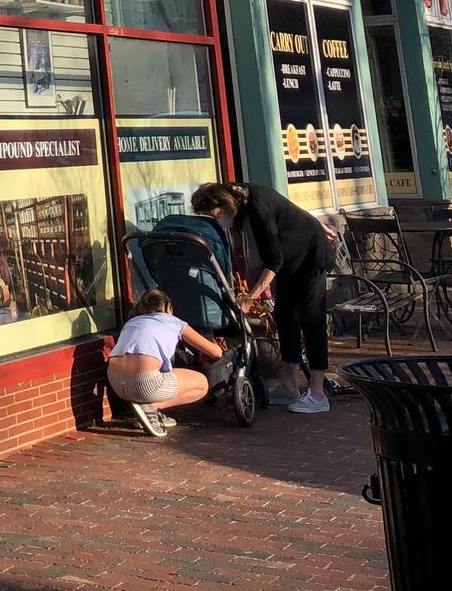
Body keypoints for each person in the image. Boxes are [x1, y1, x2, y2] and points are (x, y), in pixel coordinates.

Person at [193, 181, 334, 413]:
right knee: (285, 316)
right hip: (289, 257)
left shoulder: (257, 207)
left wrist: (251, 296)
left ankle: (318, 393)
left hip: (310, 254)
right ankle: (289, 385)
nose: (218, 220)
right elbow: (289, 210)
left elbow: (273, 261)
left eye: (216, 215)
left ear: (225, 204)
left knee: (311, 317)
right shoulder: (239, 194)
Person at [108, 289, 225, 437]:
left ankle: (147, 412)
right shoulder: (175, 322)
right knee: (202, 384)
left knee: (162, 370)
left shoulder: (132, 322)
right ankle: (151, 407)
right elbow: (215, 353)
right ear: (168, 307)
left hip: (116, 383)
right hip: (144, 384)